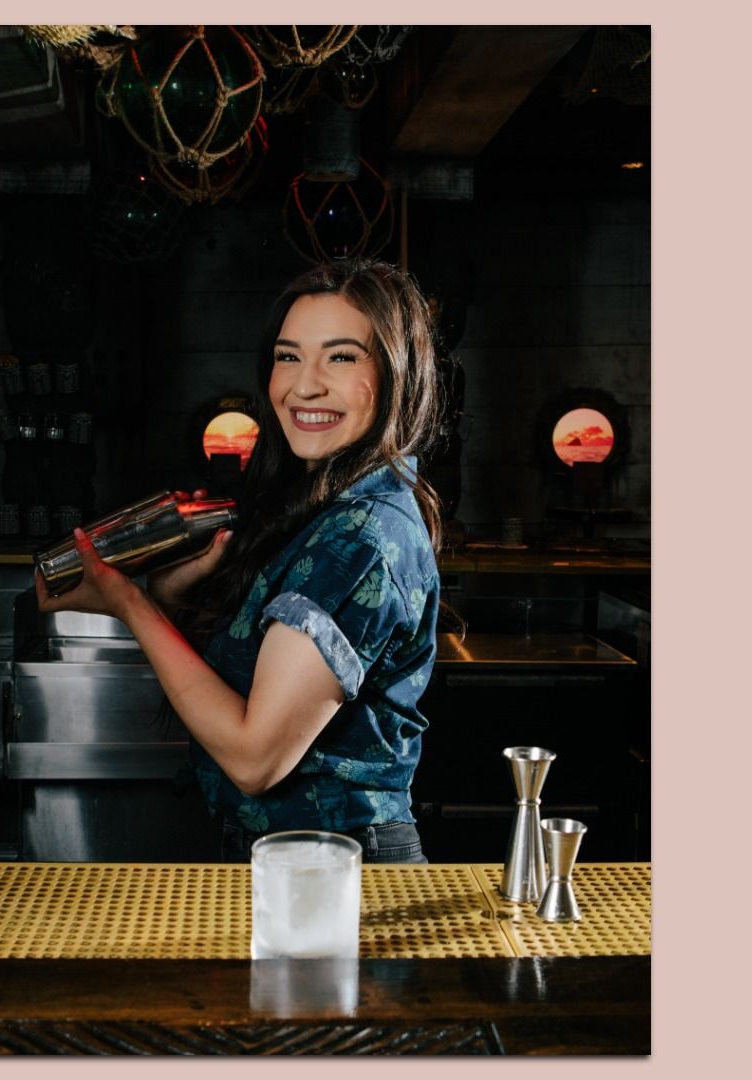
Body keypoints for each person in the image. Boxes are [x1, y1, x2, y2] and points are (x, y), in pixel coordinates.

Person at [34, 258, 445, 864]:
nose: (304, 385)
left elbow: (255, 757)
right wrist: (175, 591)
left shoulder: (361, 535)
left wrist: (130, 603)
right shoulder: (315, 504)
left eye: (340, 356)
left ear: (396, 376)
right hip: (287, 858)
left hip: (339, 869)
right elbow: (242, 674)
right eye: (287, 356)